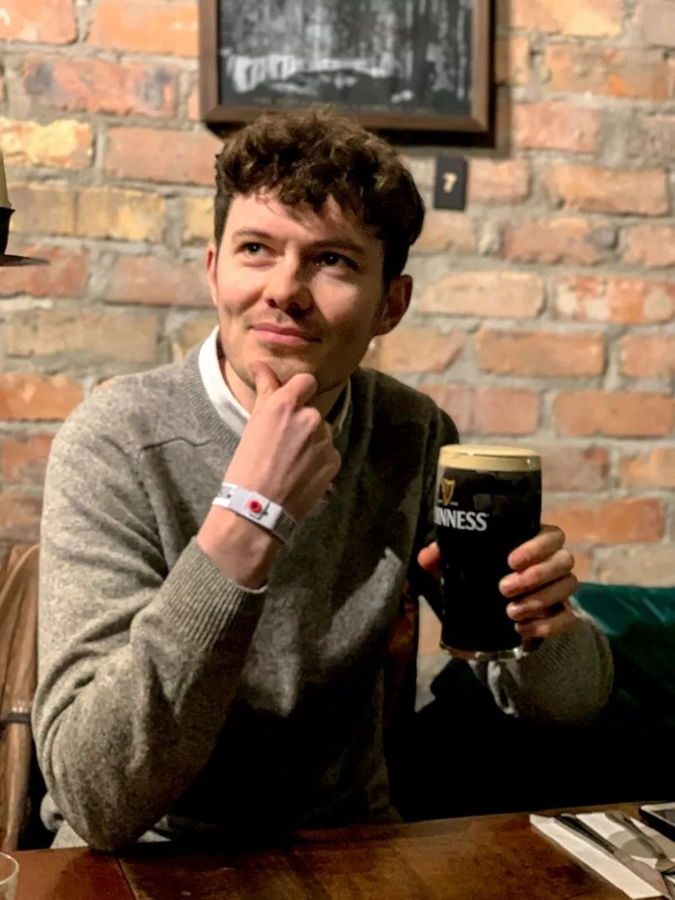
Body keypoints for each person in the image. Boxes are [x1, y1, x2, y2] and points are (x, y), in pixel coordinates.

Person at [33, 109, 613, 851]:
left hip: (346, 844)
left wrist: (543, 631)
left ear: (389, 306)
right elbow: (96, 795)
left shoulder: (413, 433)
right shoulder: (114, 439)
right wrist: (248, 517)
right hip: (146, 854)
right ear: (214, 271)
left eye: (332, 260)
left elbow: (567, 706)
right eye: (255, 249)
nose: (285, 289)